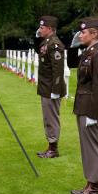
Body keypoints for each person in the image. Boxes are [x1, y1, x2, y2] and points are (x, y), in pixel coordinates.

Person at [67, 16, 98, 194]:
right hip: (84, 107)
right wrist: (73, 45)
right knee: (87, 147)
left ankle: (93, 189)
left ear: (94, 34)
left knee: (91, 147)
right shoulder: (89, 51)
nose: (80, 35)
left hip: (91, 109)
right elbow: (71, 64)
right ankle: (89, 184)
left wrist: (93, 114)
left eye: (83, 32)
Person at [34, 16, 66, 158]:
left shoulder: (55, 44)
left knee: (51, 118)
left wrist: (55, 90)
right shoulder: (47, 42)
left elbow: (57, 69)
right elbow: (39, 51)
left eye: (42, 28)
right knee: (47, 118)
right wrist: (37, 37)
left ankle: (53, 149)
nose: (40, 30)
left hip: (52, 88)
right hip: (46, 87)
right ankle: (50, 146)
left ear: (50, 29)